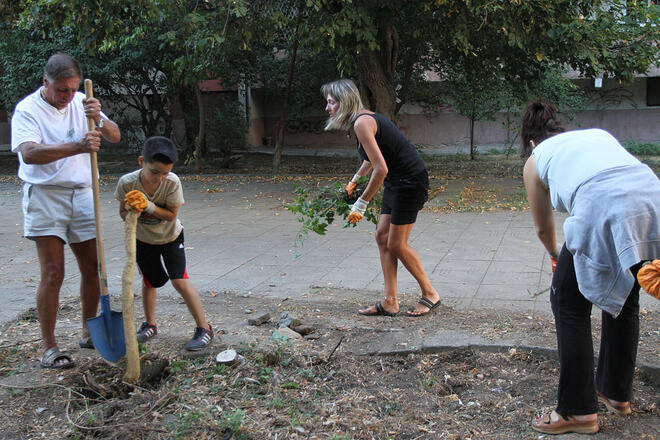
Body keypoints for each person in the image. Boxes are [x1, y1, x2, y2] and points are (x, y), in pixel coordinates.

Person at [520, 100, 660, 435]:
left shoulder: (535, 158)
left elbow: (543, 228)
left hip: (602, 201)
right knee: (626, 296)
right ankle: (615, 392)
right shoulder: (595, 135)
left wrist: (556, 255)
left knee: (567, 303)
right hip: (652, 196)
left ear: (531, 141)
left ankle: (577, 411)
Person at [11, 53, 121, 369]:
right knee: (54, 271)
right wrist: (77, 147)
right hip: (45, 196)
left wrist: (100, 117)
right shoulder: (27, 110)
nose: (67, 96)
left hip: (84, 193)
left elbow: (114, 136)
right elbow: (29, 154)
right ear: (45, 83)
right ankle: (49, 346)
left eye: (72, 89)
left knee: (92, 268)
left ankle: (89, 330)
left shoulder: (82, 101)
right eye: (61, 90)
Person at [322, 79, 441, 317]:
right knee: (382, 236)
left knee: (396, 243)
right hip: (397, 182)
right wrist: (354, 181)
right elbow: (371, 157)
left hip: (410, 181)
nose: (328, 108)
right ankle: (389, 302)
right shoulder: (362, 120)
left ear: (344, 102)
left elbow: (381, 169)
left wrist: (361, 203)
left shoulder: (362, 123)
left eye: (332, 102)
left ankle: (431, 294)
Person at [115, 136, 214, 351]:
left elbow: (171, 215)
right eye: (155, 172)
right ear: (141, 162)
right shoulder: (127, 183)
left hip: (171, 237)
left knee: (179, 281)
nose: (160, 178)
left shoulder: (172, 182)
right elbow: (122, 212)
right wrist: (131, 209)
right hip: (142, 239)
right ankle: (150, 324)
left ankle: (204, 328)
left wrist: (148, 207)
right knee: (151, 281)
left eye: (165, 173)